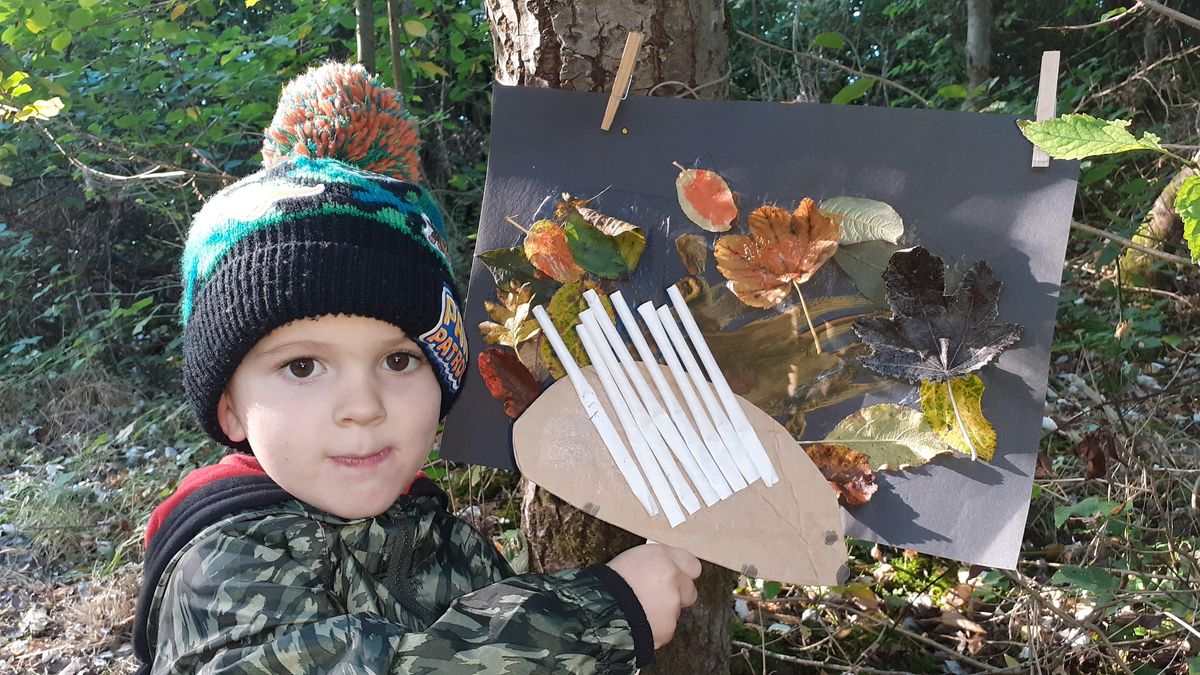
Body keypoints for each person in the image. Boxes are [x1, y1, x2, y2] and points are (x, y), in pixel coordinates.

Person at [132, 62, 701, 674]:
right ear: (229, 406)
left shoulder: (445, 538)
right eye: (302, 367)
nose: (364, 405)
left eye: (399, 359)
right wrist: (604, 615)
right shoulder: (224, 563)